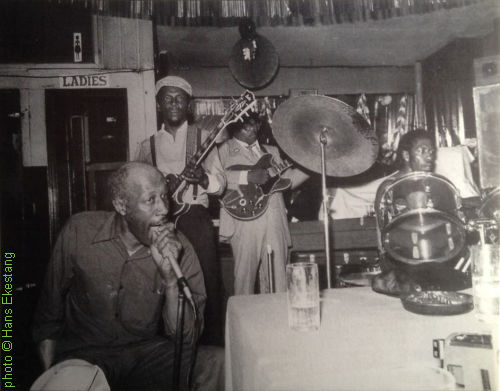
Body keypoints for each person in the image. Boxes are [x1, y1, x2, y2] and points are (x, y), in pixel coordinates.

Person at [32, 162, 219, 391]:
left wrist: (170, 281)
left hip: (146, 355)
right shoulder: (79, 231)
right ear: (121, 205)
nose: (163, 209)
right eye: (150, 200)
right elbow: (47, 317)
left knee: (216, 363)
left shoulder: (180, 248)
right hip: (84, 359)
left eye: (164, 197)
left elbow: (187, 339)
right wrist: (51, 374)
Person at [135, 76, 225, 346]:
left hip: (196, 220)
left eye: (180, 98)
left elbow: (220, 185)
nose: (174, 103)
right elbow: (135, 190)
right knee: (162, 284)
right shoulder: (146, 146)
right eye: (167, 98)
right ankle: (166, 348)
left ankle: (211, 347)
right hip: (159, 225)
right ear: (159, 104)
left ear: (188, 105)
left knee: (206, 284)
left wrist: (203, 179)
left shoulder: (204, 139)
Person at [218, 112, 309, 295]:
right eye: (246, 126)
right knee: (244, 280)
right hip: (243, 221)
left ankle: (277, 320)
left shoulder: (271, 151)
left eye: (255, 125)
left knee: (279, 280)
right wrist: (247, 176)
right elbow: (215, 180)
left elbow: (286, 181)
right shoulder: (223, 149)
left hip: (274, 220)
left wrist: (312, 168)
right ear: (234, 127)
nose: (252, 130)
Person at [372, 129, 470, 295]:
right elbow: (382, 236)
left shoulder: (440, 185)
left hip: (438, 258)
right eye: (422, 151)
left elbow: (453, 228)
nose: (429, 156)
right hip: (400, 259)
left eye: (431, 151)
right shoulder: (389, 187)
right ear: (406, 155)